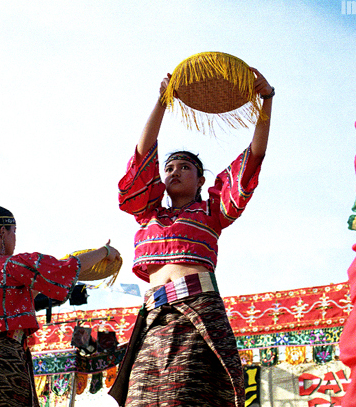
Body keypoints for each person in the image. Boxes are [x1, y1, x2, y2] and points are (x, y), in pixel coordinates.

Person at [110, 68, 274, 406]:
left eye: (184, 167)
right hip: (153, 319)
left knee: (189, 396)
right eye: (169, 167)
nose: (174, 171)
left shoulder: (211, 212)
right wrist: (161, 102)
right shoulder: (148, 212)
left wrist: (267, 102)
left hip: (196, 316)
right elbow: (143, 154)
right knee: (141, 400)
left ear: (201, 180)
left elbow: (253, 158)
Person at [0, 205, 119, 406]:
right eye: (14, 231)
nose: (15, 238)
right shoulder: (13, 265)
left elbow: (25, 295)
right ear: (2, 232)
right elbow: (66, 268)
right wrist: (105, 251)